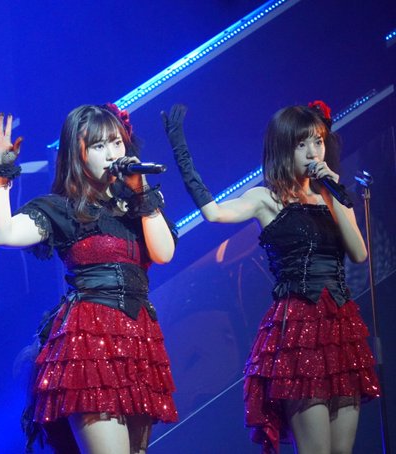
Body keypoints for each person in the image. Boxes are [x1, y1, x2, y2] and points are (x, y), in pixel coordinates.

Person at [162, 102, 380, 453]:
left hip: (340, 327)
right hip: (298, 330)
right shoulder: (266, 198)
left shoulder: (332, 196)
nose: (313, 152)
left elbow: (359, 253)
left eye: (318, 142)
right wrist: (181, 153)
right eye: (301, 144)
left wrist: (335, 192)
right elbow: (215, 214)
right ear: (283, 149)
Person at [0, 105, 179, 454]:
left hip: (138, 340)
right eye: (100, 146)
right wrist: (1, 176)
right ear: (79, 153)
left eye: (117, 143)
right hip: (90, 343)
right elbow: (3, 234)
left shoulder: (138, 205)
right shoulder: (63, 208)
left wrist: (142, 193)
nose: (113, 154)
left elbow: (163, 253)